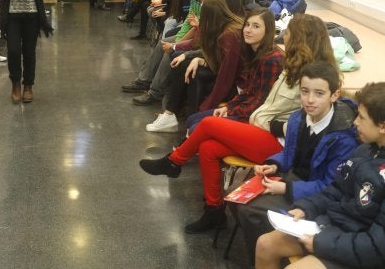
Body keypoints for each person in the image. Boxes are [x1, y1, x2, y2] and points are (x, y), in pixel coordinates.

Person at [138, 14, 338, 233]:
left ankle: (174, 162)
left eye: (288, 32)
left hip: (278, 143)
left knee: (209, 125)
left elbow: (301, 124)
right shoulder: (293, 66)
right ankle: (214, 212)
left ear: (300, 38)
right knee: (208, 148)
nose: (285, 36)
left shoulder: (314, 78)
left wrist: (267, 124)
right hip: (260, 129)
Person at [235, 61, 358, 261]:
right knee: (237, 194)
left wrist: (286, 189)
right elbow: (289, 153)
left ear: (334, 95)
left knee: (250, 210)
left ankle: (268, 256)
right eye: (304, 91)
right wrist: (273, 164)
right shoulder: (297, 118)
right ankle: (264, 255)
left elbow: (330, 186)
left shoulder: (342, 136)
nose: (310, 100)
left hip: (313, 195)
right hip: (292, 179)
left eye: (319, 93)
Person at [255, 82, 385, 269]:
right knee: (265, 245)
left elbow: (376, 248)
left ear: (382, 126)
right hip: (334, 230)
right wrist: (306, 208)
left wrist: (321, 243)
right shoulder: (364, 151)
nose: (355, 122)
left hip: (361, 252)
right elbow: (335, 190)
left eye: (362, 118)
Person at [146, 7, 284, 133]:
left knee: (196, 127)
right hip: (241, 102)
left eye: (256, 26)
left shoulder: (269, 59)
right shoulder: (251, 49)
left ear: (268, 30)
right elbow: (247, 90)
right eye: (247, 25)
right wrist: (228, 107)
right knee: (191, 120)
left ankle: (177, 150)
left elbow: (258, 101)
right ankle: (171, 118)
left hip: (252, 114)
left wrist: (230, 109)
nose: (248, 30)